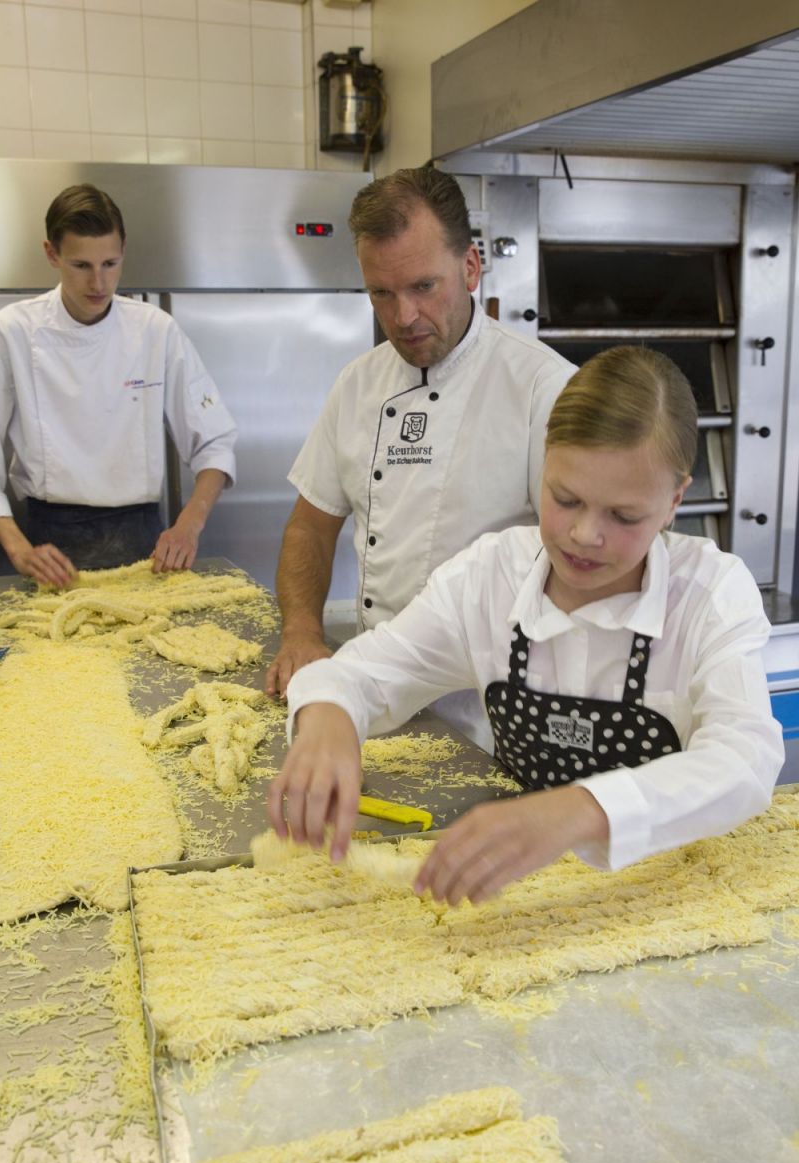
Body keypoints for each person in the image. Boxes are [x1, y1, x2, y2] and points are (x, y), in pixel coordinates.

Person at [267, 346, 784, 905]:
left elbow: (744, 760)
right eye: (565, 499)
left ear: (674, 501)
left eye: (624, 516)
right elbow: (363, 673)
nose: (585, 534)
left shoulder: (709, 595)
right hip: (525, 897)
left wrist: (578, 812)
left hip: (667, 897)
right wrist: (328, 720)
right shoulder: (490, 578)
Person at [265, 165, 574, 751]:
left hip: (499, 716)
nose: (402, 317)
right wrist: (302, 631)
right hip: (377, 700)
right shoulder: (358, 384)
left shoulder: (544, 389)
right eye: (381, 293)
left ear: (471, 266)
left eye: (423, 287)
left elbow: (585, 564)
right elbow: (311, 524)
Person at [0, 184, 237, 587]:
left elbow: (214, 442)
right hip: (48, 545)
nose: (99, 282)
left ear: (124, 248)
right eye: (81, 265)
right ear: (51, 254)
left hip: (144, 542)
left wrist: (189, 526)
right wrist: (18, 548)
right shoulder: (14, 331)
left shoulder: (154, 330)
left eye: (110, 263)